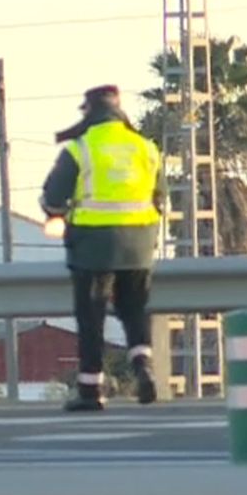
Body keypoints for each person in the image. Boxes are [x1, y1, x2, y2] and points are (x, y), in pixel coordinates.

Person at [39, 84, 165, 412]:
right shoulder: (145, 147)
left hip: (93, 246)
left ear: (89, 112)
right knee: (135, 310)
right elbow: (159, 195)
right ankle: (144, 366)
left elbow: (53, 195)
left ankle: (90, 390)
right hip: (138, 244)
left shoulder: (81, 148)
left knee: (91, 316)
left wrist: (54, 214)